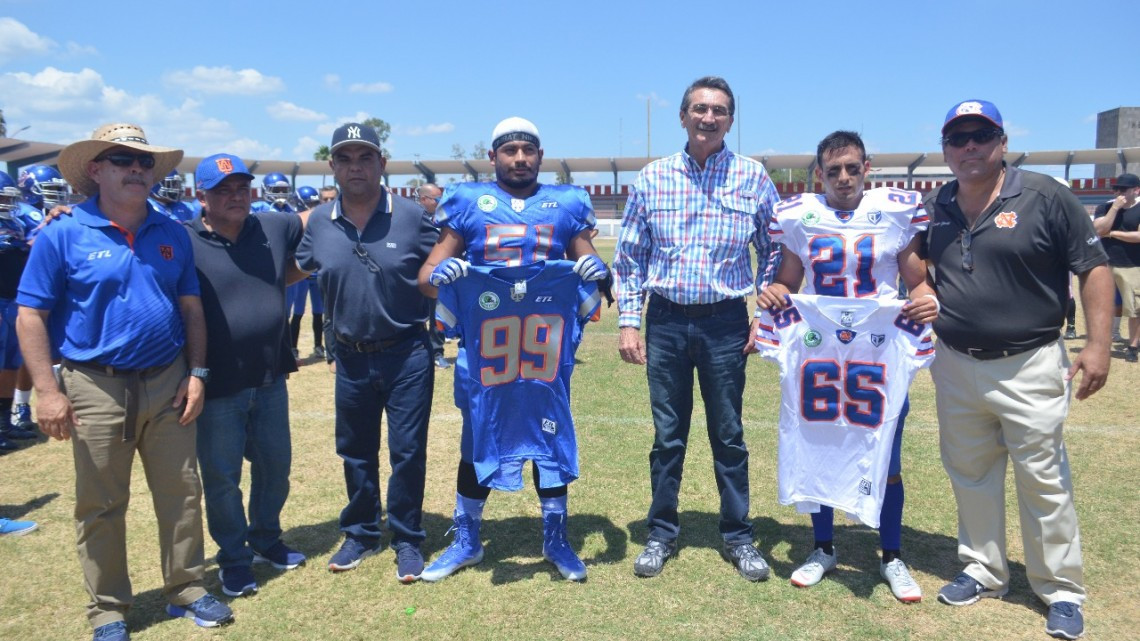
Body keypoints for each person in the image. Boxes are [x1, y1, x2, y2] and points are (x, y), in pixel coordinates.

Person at [16, 123, 233, 641]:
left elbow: (191, 310)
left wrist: (197, 374)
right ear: (96, 170)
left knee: (181, 493)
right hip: (95, 385)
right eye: (121, 160)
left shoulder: (169, 231)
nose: (136, 170)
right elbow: (29, 316)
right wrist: (47, 391)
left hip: (168, 380)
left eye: (143, 164)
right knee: (101, 504)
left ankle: (186, 588)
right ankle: (108, 609)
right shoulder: (62, 231)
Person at [922, 100, 1112, 640]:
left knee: (1043, 479)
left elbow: (1092, 266)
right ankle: (984, 570)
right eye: (958, 139)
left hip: (1029, 362)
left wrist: (1098, 346)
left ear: (1002, 142)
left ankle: (1061, 589)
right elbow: (917, 266)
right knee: (971, 474)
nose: (969, 147)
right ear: (946, 149)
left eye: (980, 135)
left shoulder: (1045, 195)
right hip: (956, 363)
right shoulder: (937, 204)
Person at [416, 117, 605, 582]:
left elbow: (593, 268)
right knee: (477, 436)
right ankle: (466, 539)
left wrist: (591, 271)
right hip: (488, 348)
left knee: (549, 434)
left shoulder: (564, 204)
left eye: (528, 150)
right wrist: (445, 277)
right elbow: (426, 277)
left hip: (543, 347)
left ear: (540, 156)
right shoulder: (467, 202)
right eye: (509, 150)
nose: (519, 158)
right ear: (493, 156)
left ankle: (556, 538)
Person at [756, 131, 938, 601]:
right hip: (819, 349)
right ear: (820, 173)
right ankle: (823, 547)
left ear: (866, 168)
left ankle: (891, 555)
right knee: (819, 442)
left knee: (887, 458)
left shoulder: (895, 212)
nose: (842, 178)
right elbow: (788, 279)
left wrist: (926, 301)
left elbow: (917, 282)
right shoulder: (800, 215)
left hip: (877, 349)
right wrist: (776, 291)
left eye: (852, 168)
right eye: (833, 170)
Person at [613, 76, 778, 581]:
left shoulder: (753, 177)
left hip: (726, 324)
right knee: (668, 436)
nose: (709, 118)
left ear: (731, 119)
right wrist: (628, 325)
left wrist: (764, 316)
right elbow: (629, 257)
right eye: (700, 109)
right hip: (665, 321)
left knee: (728, 434)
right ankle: (661, 532)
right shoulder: (652, 177)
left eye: (720, 110)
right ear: (682, 116)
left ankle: (739, 535)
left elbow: (774, 249)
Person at [295, 122, 437, 582]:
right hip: (350, 355)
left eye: (365, 157)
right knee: (355, 450)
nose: (355, 167)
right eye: (345, 159)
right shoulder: (318, 221)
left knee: (407, 450)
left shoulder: (413, 217)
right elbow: (289, 266)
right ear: (332, 166)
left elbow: (447, 264)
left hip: (407, 353)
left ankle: (408, 536)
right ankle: (360, 531)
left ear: (382, 163)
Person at [187, 153, 309, 598]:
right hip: (216, 383)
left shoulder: (272, 227)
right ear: (202, 196)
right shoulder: (184, 238)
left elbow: (323, 215)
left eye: (242, 188)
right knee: (222, 479)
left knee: (275, 467)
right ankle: (234, 559)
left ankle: (265, 538)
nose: (236, 196)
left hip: (270, 376)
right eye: (223, 190)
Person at [0, 171, 44, 448]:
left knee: (9, 365)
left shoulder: (15, 223)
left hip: (13, 301)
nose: (6, 201)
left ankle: (4, 424)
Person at [1092, 172, 1140, 362]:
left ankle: (1133, 346)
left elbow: (1138, 237)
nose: (1118, 192)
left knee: (1134, 309)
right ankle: (1102, 342)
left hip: (1132, 265)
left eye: (1123, 189)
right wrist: (1114, 209)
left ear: (1136, 190)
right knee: (1103, 306)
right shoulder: (1104, 207)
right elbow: (1097, 229)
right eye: (1115, 188)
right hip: (1104, 263)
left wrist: (1112, 233)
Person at [415, 183, 449, 369]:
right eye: (437, 199)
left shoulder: (444, 218)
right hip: (413, 278)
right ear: (424, 200)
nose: (440, 202)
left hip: (436, 277)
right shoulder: (411, 220)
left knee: (437, 315)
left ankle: (437, 352)